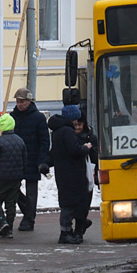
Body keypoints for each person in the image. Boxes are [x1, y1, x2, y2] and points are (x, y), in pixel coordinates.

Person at [41, 104, 97, 244]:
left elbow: (55, 153)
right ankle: (66, 232)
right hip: (74, 174)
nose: (77, 124)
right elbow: (74, 150)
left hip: (64, 173)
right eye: (76, 120)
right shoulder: (67, 131)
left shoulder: (57, 131)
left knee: (69, 203)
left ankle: (73, 229)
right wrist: (85, 148)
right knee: (71, 204)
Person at [9, 88, 49, 232]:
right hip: (16, 160)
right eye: (18, 101)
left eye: (22, 101)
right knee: (13, 189)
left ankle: (29, 220)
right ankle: (29, 213)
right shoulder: (12, 116)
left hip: (32, 160)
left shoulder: (38, 118)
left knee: (31, 192)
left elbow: (44, 141)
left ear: (29, 101)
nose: (20, 104)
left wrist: (41, 160)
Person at [0, 113, 26, 238]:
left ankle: (2, 220)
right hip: (16, 178)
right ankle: (9, 229)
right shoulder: (20, 141)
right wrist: (21, 174)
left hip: (1, 178)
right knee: (11, 203)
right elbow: (25, 159)